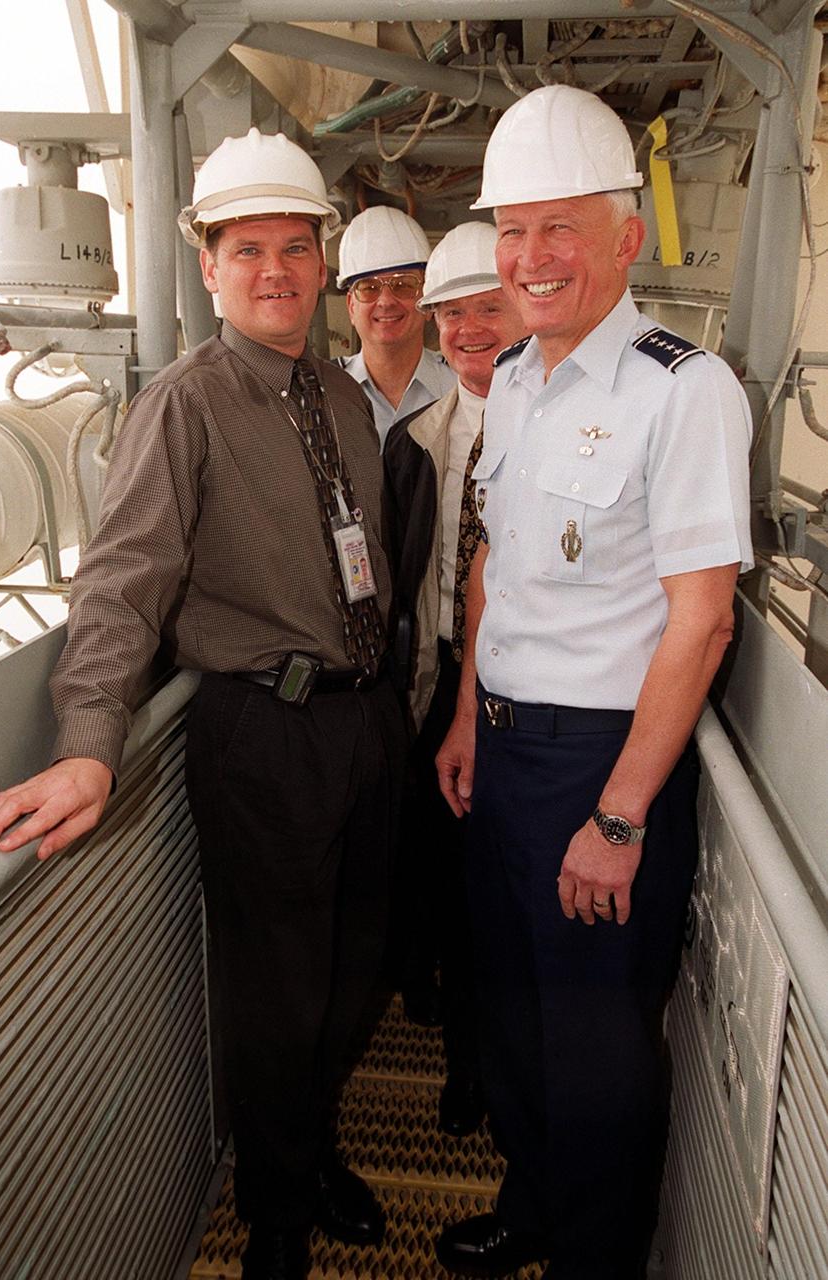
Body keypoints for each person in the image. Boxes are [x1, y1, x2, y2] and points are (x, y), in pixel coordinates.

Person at [0, 127, 405, 1280]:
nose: (275, 269)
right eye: (247, 248)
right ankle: (274, 1209)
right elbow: (118, 585)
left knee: (357, 962)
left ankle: (311, 1151)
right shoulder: (184, 402)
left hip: (365, 722)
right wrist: (87, 744)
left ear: (321, 265)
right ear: (209, 267)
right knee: (275, 990)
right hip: (262, 731)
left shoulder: (341, 395)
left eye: (294, 248)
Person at [432, 85, 753, 1280]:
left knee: (598, 1045)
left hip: (602, 762)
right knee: (513, 1011)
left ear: (626, 234)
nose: (530, 257)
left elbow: (702, 620)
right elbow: (494, 568)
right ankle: (530, 1200)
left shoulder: (682, 390)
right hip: (507, 752)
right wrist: (468, 712)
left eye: (558, 226)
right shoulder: (513, 379)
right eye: (511, 229)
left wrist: (618, 816)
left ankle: (593, 1255)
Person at [384, 221, 525, 1138]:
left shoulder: (565, 426)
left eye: (487, 308)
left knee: (505, 897)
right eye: (451, 315)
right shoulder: (416, 442)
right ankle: (466, 1063)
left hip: (531, 703)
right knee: (450, 882)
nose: (468, 330)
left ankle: (491, 1063)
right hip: (442, 691)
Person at [337, 205, 455, 449]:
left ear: (426, 299)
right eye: (369, 288)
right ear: (351, 306)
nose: (386, 301)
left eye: (403, 284)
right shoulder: (326, 392)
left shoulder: (462, 385)